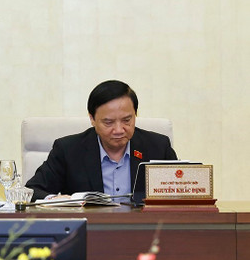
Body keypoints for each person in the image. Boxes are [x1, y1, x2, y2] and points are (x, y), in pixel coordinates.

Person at [26, 80, 177, 201]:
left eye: (127, 120)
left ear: (135, 114)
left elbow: (180, 193)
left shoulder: (158, 146)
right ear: (92, 119)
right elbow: (32, 191)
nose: (119, 130)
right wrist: (56, 199)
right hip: (90, 232)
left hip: (143, 233)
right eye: (108, 122)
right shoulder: (68, 150)